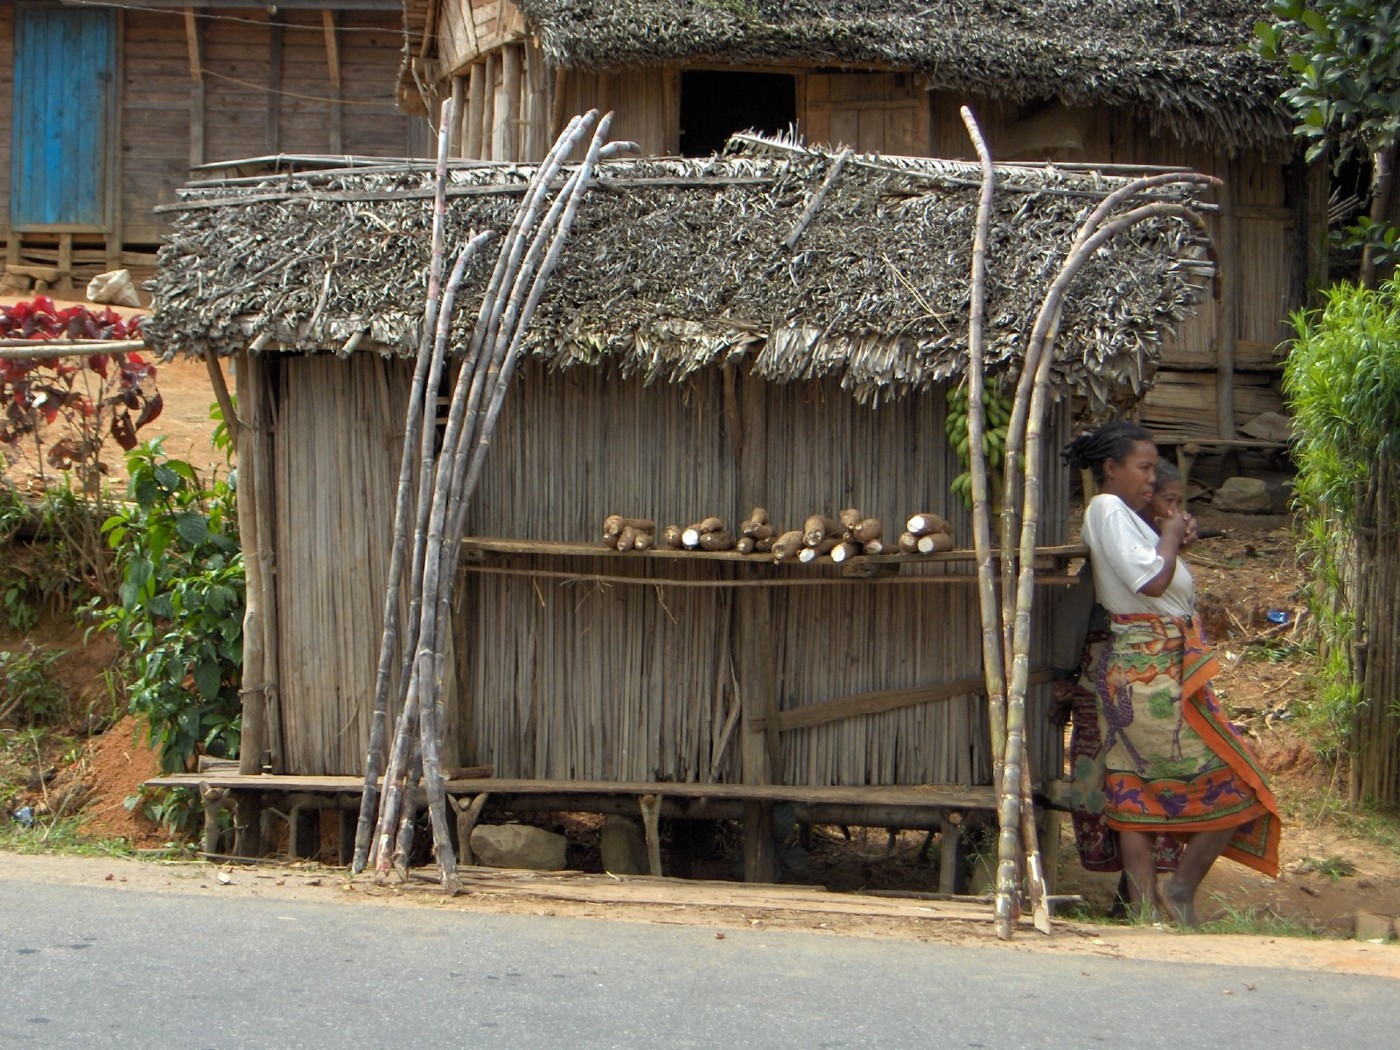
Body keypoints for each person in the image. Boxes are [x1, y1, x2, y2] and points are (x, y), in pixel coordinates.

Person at [1061, 421, 1280, 924]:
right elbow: (1152, 584)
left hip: (1153, 667)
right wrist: (1171, 536)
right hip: (1148, 672)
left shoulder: (1128, 517)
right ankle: (1176, 891)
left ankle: (1146, 913)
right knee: (1239, 781)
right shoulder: (1106, 508)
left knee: (1134, 785)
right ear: (1111, 468)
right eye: (1142, 468)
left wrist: (1172, 540)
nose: (1151, 479)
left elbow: (1154, 575)